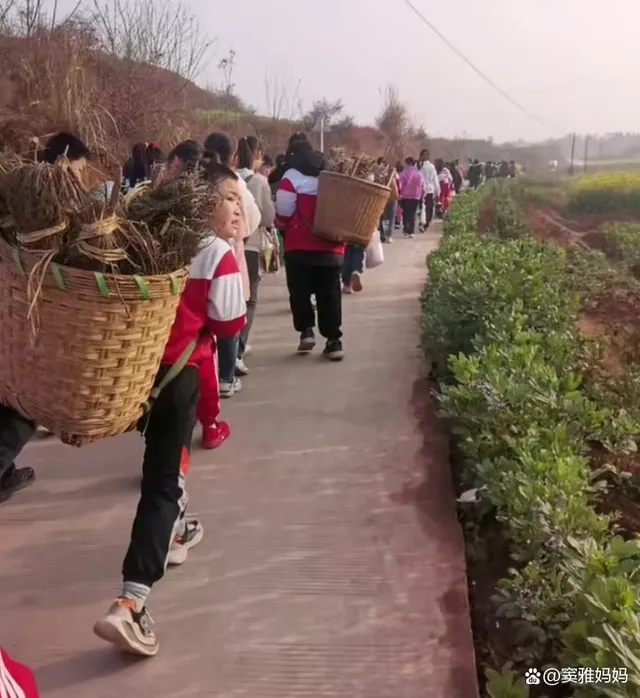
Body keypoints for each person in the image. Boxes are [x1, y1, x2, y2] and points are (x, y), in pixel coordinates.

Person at [0, 160, 246, 655]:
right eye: (231, 199)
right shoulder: (217, 254)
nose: (238, 210)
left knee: (167, 477)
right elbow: (229, 327)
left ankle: (176, 530)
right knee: (162, 482)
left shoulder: (136, 239)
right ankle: (131, 605)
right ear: (206, 203)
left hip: (119, 373)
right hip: (176, 380)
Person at [275, 133, 345, 361]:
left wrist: (282, 223)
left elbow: (284, 209)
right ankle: (334, 341)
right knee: (330, 293)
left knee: (300, 291)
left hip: (299, 245)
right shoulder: (331, 171)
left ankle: (306, 331)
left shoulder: (291, 176)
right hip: (331, 245)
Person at [203, 132, 260, 397]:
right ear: (233, 158)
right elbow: (252, 219)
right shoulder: (235, 184)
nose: (234, 207)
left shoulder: (199, 180)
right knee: (229, 311)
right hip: (233, 257)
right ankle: (226, 373)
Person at [235, 136, 276, 375]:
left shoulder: (226, 177)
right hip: (250, 247)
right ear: (256, 155)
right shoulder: (259, 181)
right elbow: (269, 217)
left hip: (225, 246)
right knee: (248, 299)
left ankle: (231, 349)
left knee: (229, 299)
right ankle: (238, 350)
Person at [398, 156, 425, 238]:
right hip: (415, 197)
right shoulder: (419, 174)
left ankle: (406, 230)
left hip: (405, 196)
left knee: (405, 213)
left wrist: (399, 193)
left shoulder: (404, 173)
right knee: (412, 214)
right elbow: (423, 186)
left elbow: (400, 184)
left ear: (407, 163)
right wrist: (422, 195)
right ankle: (411, 231)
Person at [418, 149, 440, 232]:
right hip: (430, 190)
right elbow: (435, 180)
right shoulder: (431, 167)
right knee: (429, 208)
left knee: (422, 207)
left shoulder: (418, 166)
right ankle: (426, 222)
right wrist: (438, 192)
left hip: (420, 190)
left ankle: (422, 222)